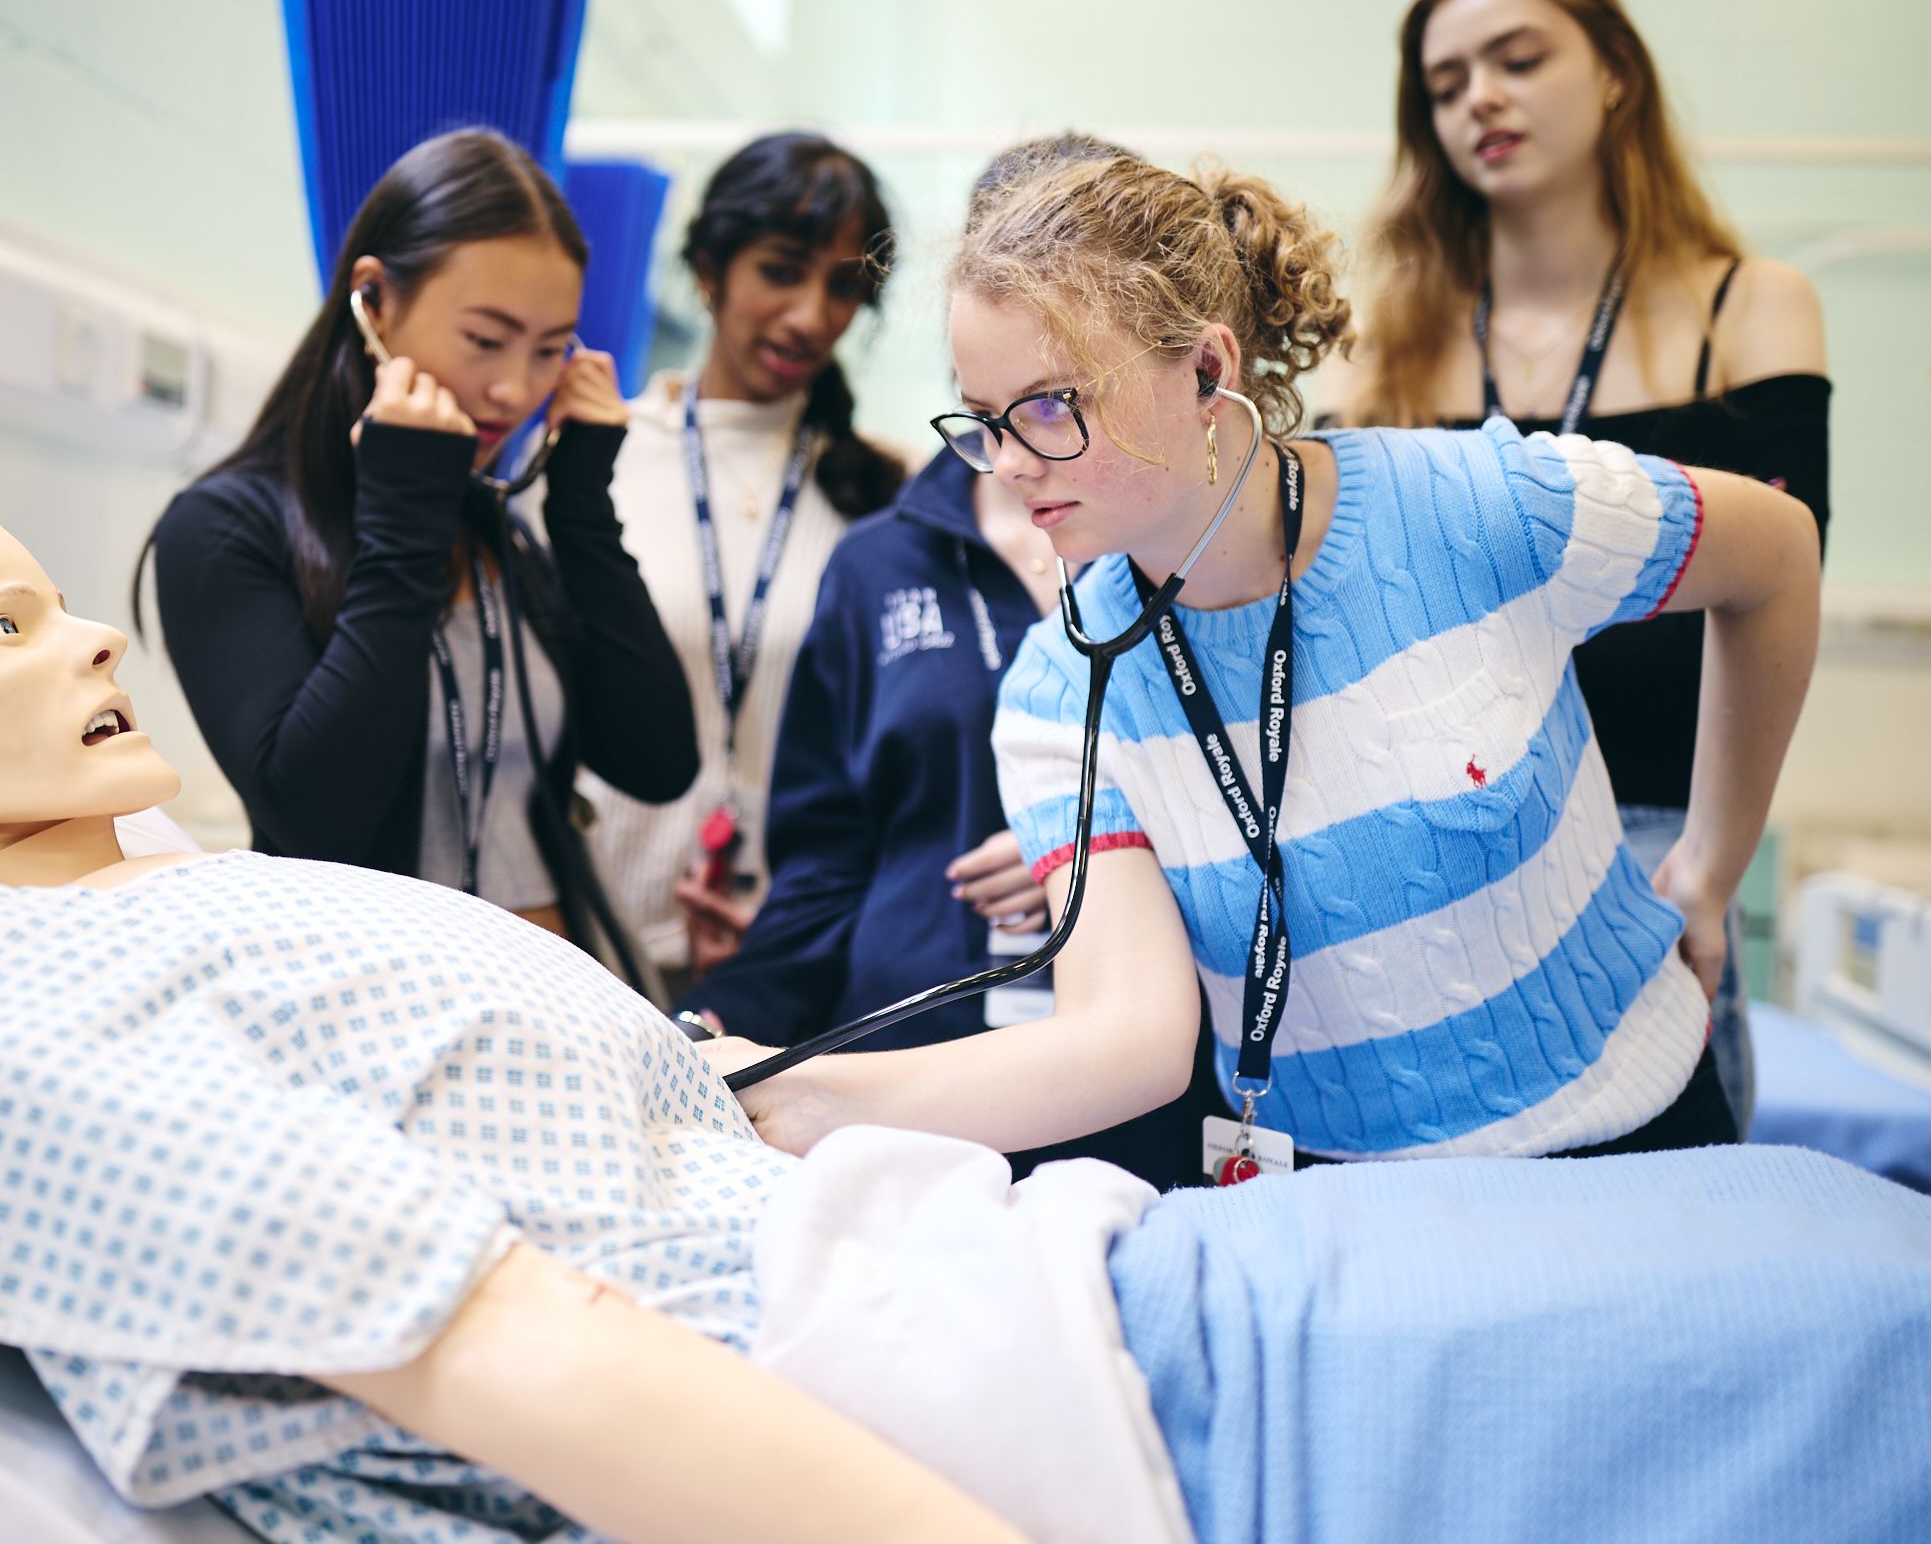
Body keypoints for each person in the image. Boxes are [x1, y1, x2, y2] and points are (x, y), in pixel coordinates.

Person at [0, 503, 1931, 1544]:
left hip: (1070, 1285)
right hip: (1070, 1411)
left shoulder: (178, 910)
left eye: (48, 599)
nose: (81, 638)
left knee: (1835, 1249)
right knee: (1875, 1346)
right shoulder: (26, 1035)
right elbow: (515, 1353)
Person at [706, 151, 1825, 1172]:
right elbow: (1129, 1037)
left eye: (1049, 407)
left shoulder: (1480, 508)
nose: (1006, 464)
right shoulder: (1062, 690)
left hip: (1630, 1138)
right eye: (983, 420)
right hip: (1339, 1191)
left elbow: (1777, 555)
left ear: (1207, 367)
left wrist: (1709, 866)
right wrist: (809, 1093)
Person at [1321, 0, 1835, 1135]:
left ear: (1613, 74)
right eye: (1445, 84)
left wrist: (1709, 870)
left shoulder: (1748, 309)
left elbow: (1780, 590)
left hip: (1654, 857)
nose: (1479, 100)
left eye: (1516, 60)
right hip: (1440, 863)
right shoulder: (1385, 343)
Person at [678, 133, 1233, 1189]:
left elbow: (1265, 801)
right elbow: (824, 866)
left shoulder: (1183, 546)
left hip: (1145, 1083)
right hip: (904, 1071)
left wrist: (1093, 850)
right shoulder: (878, 560)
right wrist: (715, 1025)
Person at [144, 129, 696, 992]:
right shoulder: (224, 527)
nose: (515, 390)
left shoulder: (497, 525)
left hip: (570, 999)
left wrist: (583, 513)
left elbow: (656, 761)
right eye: (485, 339)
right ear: (375, 299)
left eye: (548, 349)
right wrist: (401, 527)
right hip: (381, 1012)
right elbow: (315, 818)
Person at [577, 133, 907, 995]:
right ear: (709, 269)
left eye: (844, 286)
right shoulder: (596, 459)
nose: (811, 316)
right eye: (782, 271)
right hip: (589, 939)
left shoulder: (885, 494)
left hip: (794, 953)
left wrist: (792, 928)